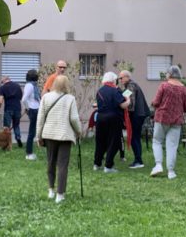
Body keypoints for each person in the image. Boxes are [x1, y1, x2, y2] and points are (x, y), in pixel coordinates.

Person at [36, 75, 82, 203]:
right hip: (65, 135)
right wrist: (79, 131)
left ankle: (51, 190)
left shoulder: (46, 97)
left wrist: (38, 136)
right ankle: (60, 194)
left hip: (49, 135)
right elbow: (74, 118)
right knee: (63, 165)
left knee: (51, 162)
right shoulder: (70, 99)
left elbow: (40, 118)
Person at [150, 65, 186, 180]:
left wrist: (153, 103)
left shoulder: (164, 85)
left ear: (169, 74)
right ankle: (171, 172)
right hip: (176, 120)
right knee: (172, 146)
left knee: (157, 141)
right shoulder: (184, 89)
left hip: (162, 118)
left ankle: (158, 165)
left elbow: (157, 101)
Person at [93, 71, 130, 173]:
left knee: (100, 142)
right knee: (114, 141)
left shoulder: (99, 91)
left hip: (100, 118)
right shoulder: (115, 91)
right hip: (113, 118)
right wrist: (128, 101)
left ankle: (97, 164)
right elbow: (122, 105)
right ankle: (108, 166)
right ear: (113, 80)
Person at [118, 70, 149, 169]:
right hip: (140, 114)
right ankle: (138, 159)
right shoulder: (131, 85)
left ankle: (138, 161)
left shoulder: (131, 85)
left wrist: (121, 107)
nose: (120, 80)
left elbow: (131, 104)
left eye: (121, 78)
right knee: (136, 137)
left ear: (127, 77)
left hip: (136, 114)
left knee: (133, 137)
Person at [0, 76, 23, 147]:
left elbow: (0, 102)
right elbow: (21, 97)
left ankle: (7, 143)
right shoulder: (17, 86)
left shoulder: (3, 88)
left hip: (8, 109)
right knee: (16, 125)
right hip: (17, 108)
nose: (2, 83)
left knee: (6, 127)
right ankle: (18, 138)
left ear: (4, 80)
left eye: (2, 81)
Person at [22, 69, 41, 160]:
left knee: (34, 132)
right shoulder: (29, 85)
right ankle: (29, 153)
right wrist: (27, 108)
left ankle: (30, 152)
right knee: (31, 132)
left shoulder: (33, 85)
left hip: (36, 109)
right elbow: (24, 99)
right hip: (33, 110)